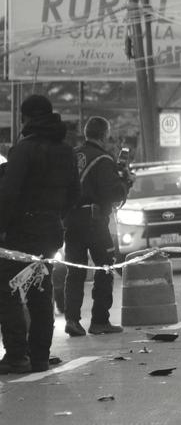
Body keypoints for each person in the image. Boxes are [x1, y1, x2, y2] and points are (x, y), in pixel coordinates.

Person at [0, 94, 81, 373]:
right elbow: (75, 193)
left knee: (6, 289)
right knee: (40, 292)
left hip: (21, 232)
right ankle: (39, 357)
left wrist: (2, 227)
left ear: (25, 118)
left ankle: (16, 354)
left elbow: (9, 194)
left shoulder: (24, 150)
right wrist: (55, 217)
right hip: (50, 232)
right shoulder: (66, 151)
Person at [63, 116, 132, 337]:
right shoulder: (103, 159)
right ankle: (99, 321)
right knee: (105, 267)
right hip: (93, 221)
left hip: (70, 219)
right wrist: (125, 182)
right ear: (104, 134)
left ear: (86, 133)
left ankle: (72, 320)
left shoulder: (71, 155)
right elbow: (111, 193)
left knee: (75, 270)